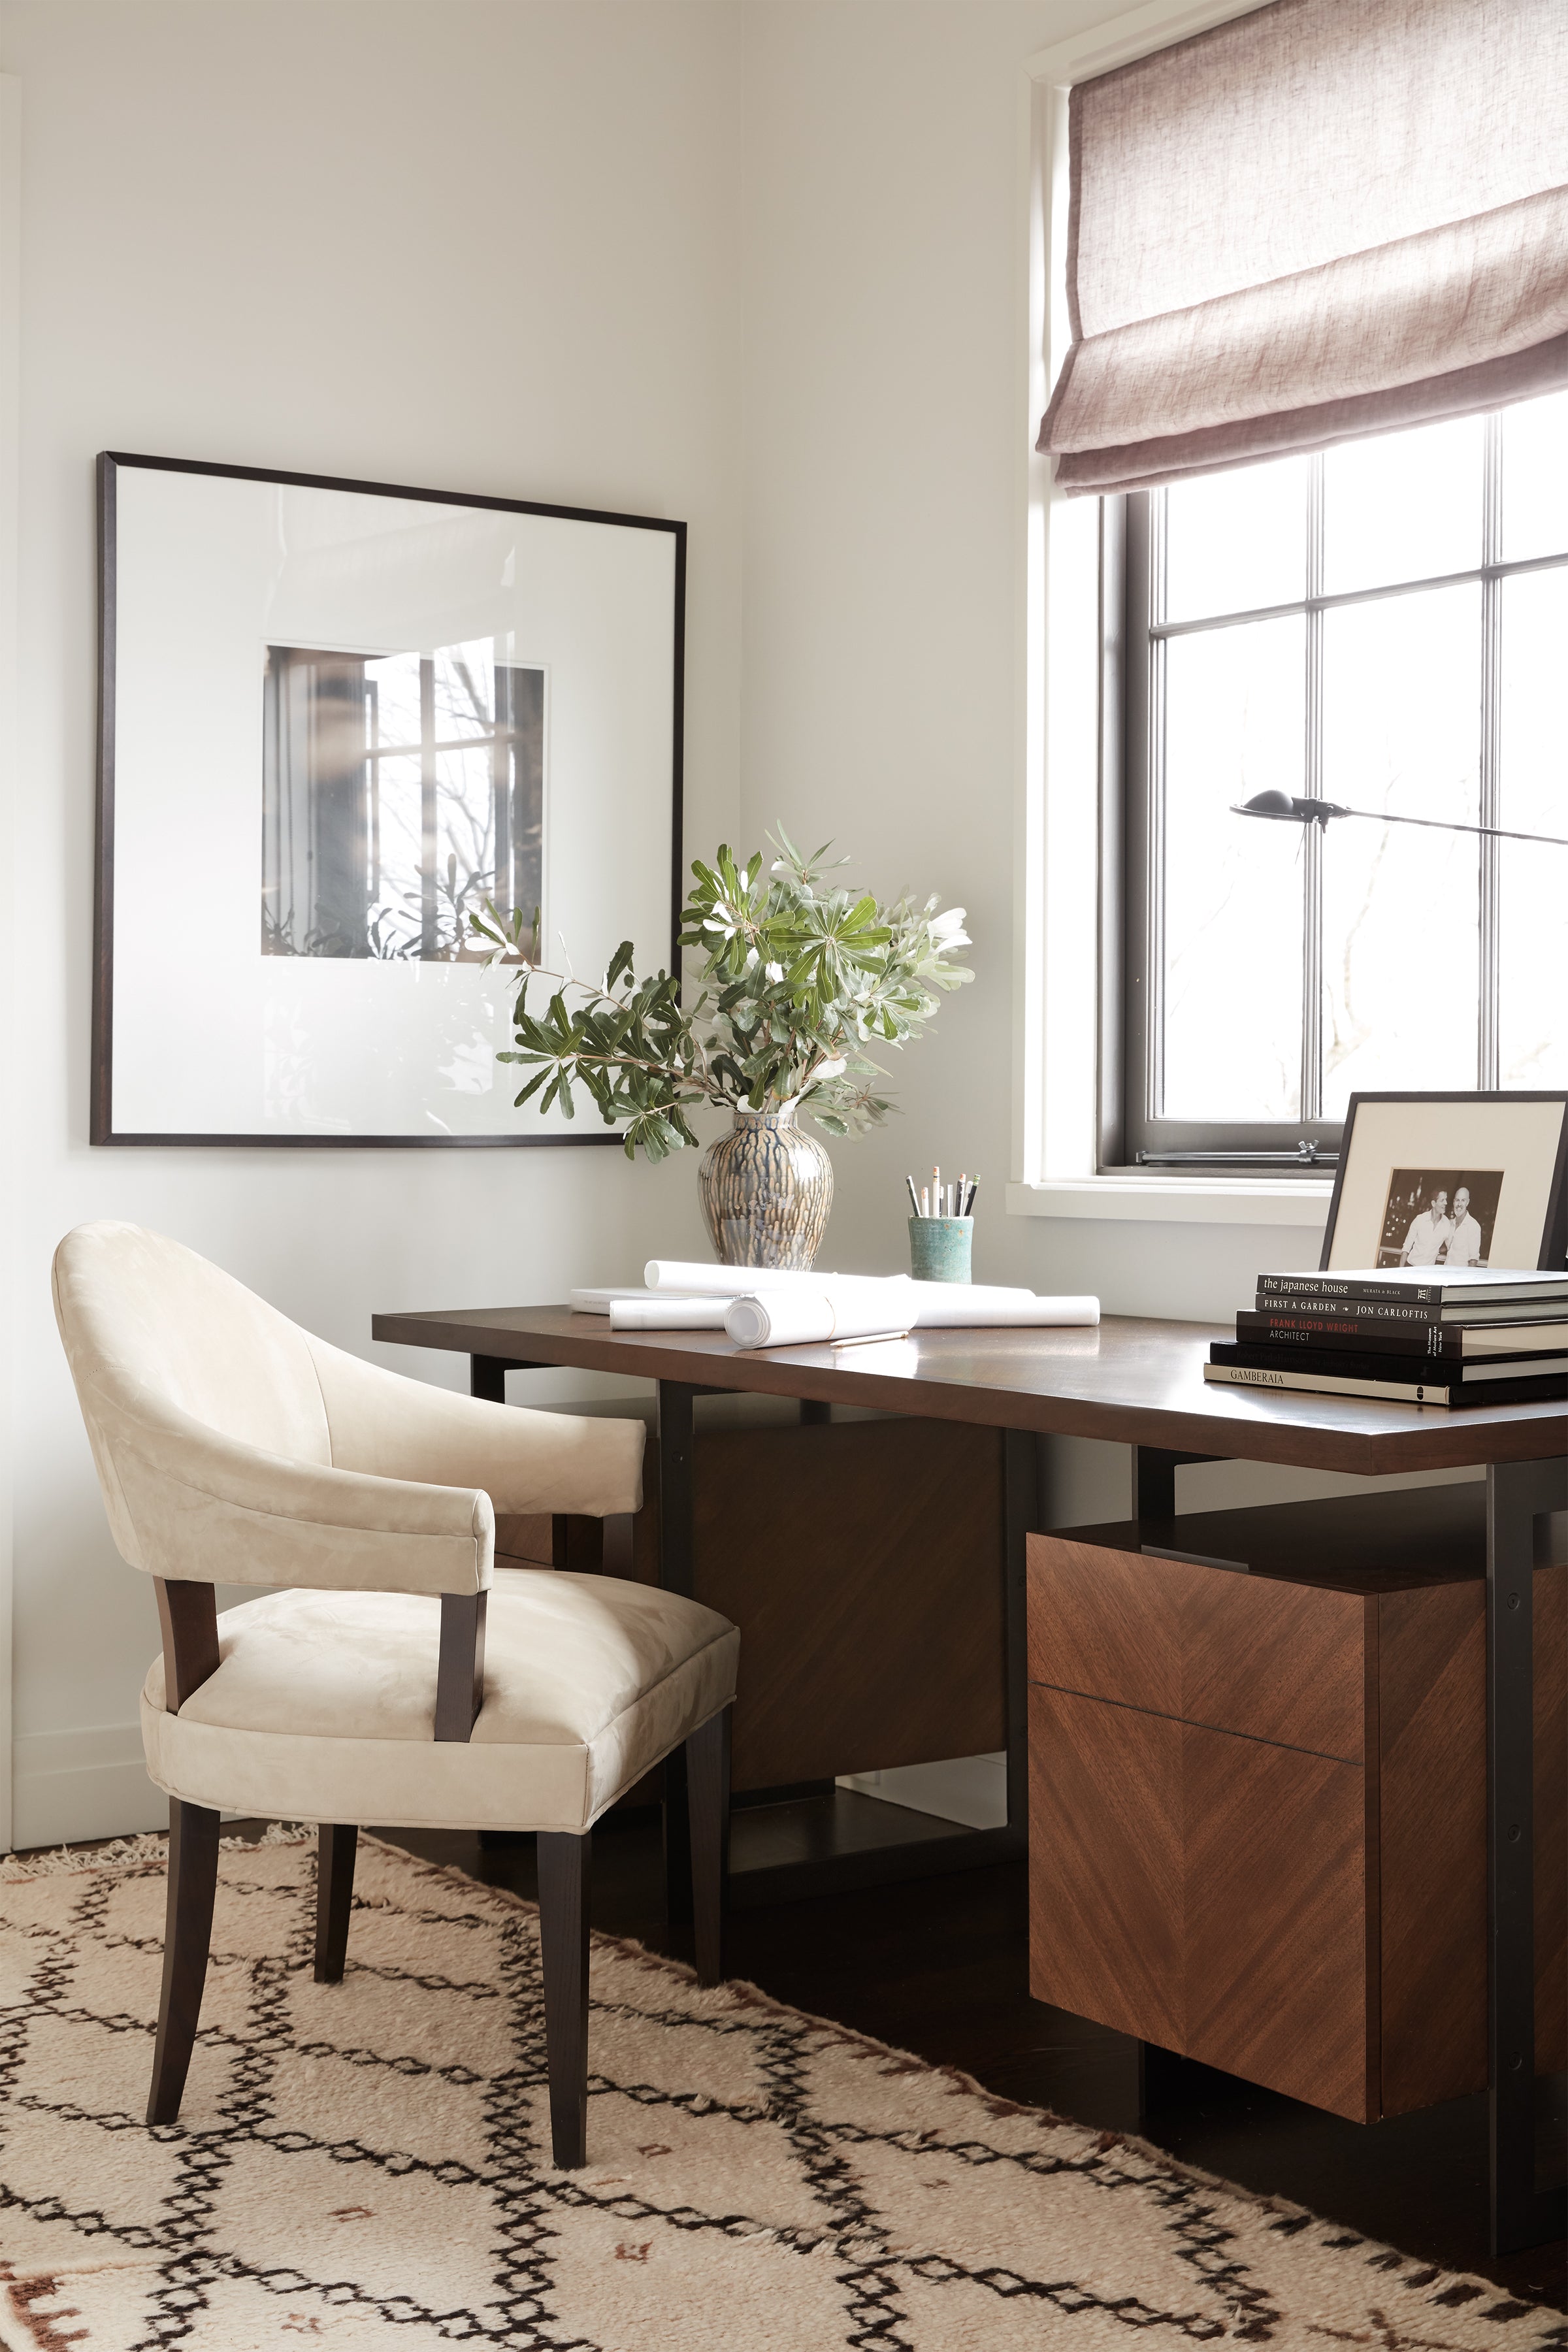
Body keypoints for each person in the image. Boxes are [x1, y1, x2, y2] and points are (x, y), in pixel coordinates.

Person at [1401, 1188, 1453, 1266]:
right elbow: (1406, 1248)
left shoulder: (1447, 1224)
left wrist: (1437, 1250)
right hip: (1410, 1267)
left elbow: (1452, 1247)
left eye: (1446, 1200)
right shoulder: (1420, 1219)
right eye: (1442, 1200)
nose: (1446, 1203)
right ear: (1433, 1203)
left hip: (1427, 1272)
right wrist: (1400, 1272)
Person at [1443, 1186, 1484, 1267]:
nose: (1459, 1204)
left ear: (1468, 1203)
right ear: (1454, 1202)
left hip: (1459, 1277)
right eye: (1457, 1200)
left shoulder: (1473, 1226)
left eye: (1463, 1200)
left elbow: (1474, 1260)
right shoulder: (1450, 1224)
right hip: (1445, 1272)